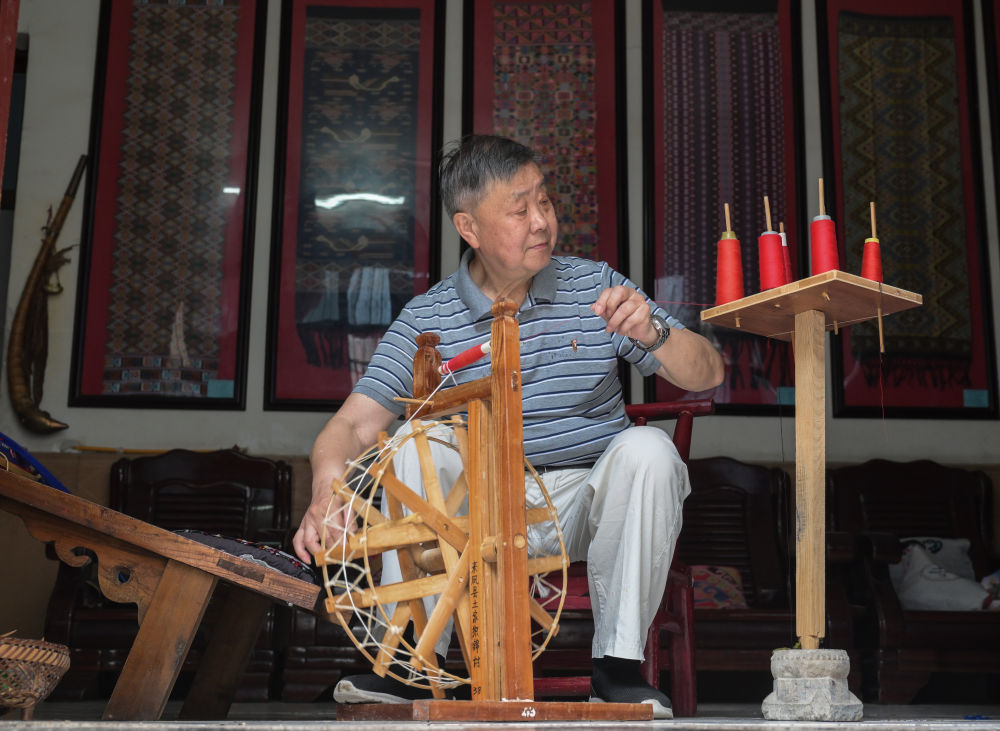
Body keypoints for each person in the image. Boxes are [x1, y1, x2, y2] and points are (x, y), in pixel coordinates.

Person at [293, 134, 724, 718]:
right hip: (477, 513)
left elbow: (707, 372)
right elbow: (351, 426)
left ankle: (618, 667)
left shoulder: (595, 287)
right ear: (468, 228)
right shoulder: (429, 318)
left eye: (544, 201)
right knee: (416, 443)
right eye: (520, 210)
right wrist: (327, 488)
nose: (542, 221)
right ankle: (411, 661)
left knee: (649, 450)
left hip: (583, 502)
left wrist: (655, 332)